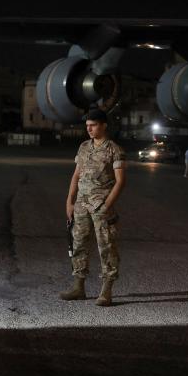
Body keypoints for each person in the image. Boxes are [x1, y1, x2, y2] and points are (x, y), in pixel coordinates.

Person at [59, 109, 126, 306]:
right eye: (87, 125)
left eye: (93, 125)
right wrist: (69, 201)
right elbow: (76, 175)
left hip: (101, 207)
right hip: (81, 205)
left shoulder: (114, 149)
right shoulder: (84, 147)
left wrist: (107, 205)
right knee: (79, 244)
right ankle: (79, 286)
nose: (89, 128)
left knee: (106, 246)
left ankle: (107, 290)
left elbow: (121, 182)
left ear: (104, 125)